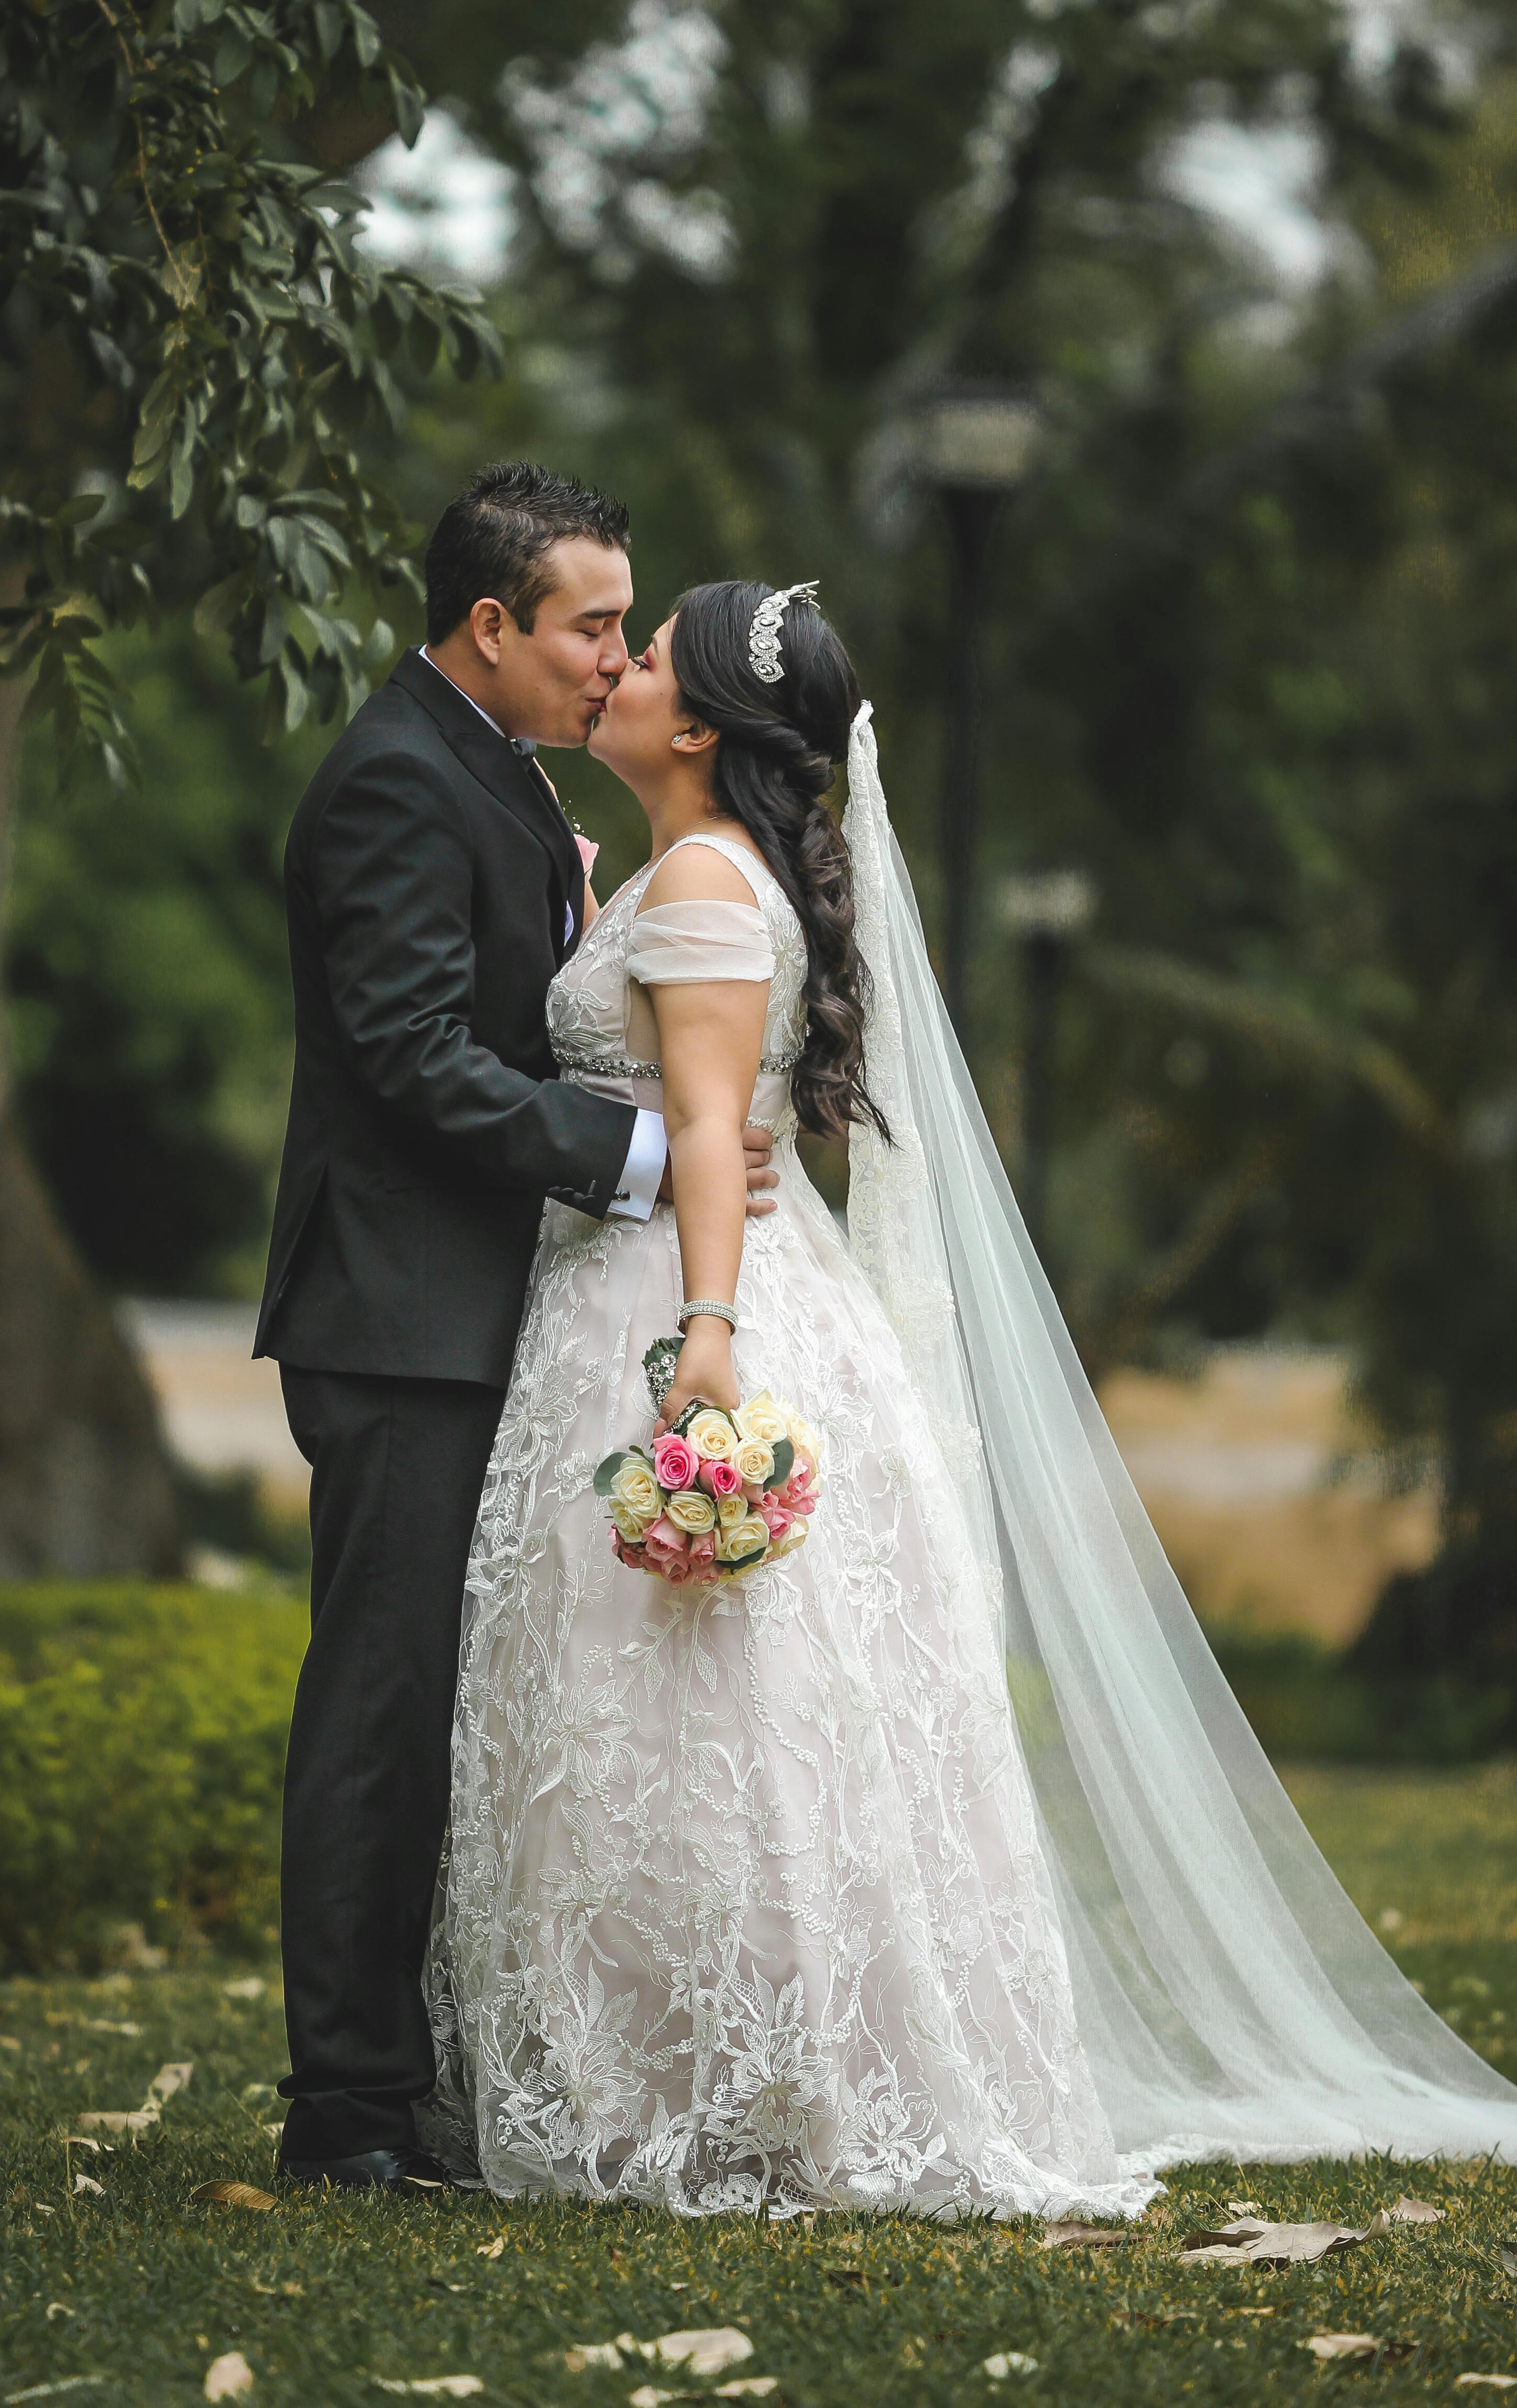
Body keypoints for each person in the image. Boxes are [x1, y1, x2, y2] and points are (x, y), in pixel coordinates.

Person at [421, 576, 1517, 2214]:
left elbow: (714, 1129)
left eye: (644, 659)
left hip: (677, 1308)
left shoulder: (711, 879)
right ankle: (674, 2062)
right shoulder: (691, 869)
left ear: (704, 723)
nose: (619, 674)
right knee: (687, 1709)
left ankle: (705, 2082)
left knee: (691, 1696)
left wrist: (705, 1341)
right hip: (646, 1288)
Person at [255, 466, 780, 2195]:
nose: (616, 662)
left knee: (457, 1709)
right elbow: (409, 1054)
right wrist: (642, 1150)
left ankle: (430, 2076)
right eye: (591, 628)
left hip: (482, 1306)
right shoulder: (400, 782)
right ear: (492, 626)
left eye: (627, 629)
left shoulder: (489, 771)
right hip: (401, 1313)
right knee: (384, 1709)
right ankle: (344, 2111)